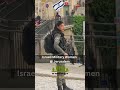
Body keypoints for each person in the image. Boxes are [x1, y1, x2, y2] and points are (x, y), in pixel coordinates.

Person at [52, 21, 73, 90]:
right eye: (61, 26)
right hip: (59, 56)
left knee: (62, 71)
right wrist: (64, 53)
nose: (63, 27)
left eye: (63, 25)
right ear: (58, 26)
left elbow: (61, 44)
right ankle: (60, 88)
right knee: (60, 72)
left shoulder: (59, 33)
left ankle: (64, 86)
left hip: (60, 55)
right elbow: (55, 45)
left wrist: (67, 43)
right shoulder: (57, 34)